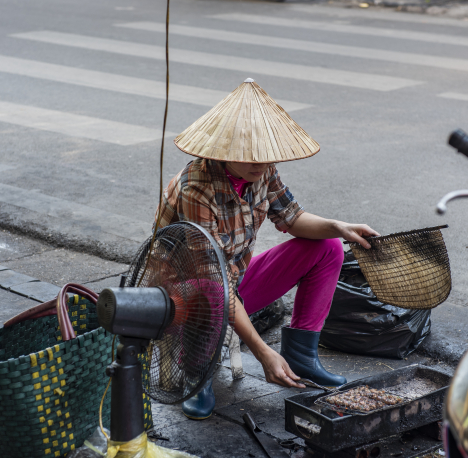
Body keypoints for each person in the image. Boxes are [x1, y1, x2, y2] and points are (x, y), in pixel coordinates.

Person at [156, 78, 379, 420]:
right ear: (224, 148)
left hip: (232, 281)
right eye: (250, 158)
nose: (259, 166)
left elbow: (292, 217)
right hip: (185, 294)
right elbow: (214, 280)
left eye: (265, 158)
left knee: (329, 247)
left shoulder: (261, 170)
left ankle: (302, 357)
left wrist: (339, 227)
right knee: (213, 291)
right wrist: (262, 353)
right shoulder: (194, 188)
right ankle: (196, 373)